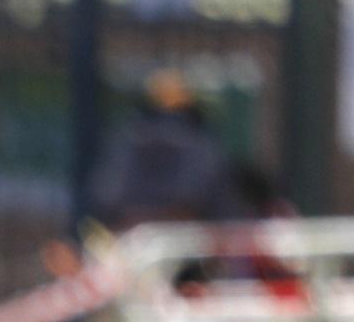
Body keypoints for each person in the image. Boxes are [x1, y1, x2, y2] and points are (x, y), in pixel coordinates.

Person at [91, 72, 245, 233]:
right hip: (190, 236)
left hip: (132, 235)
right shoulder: (201, 140)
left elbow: (105, 195)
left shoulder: (127, 136)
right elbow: (220, 204)